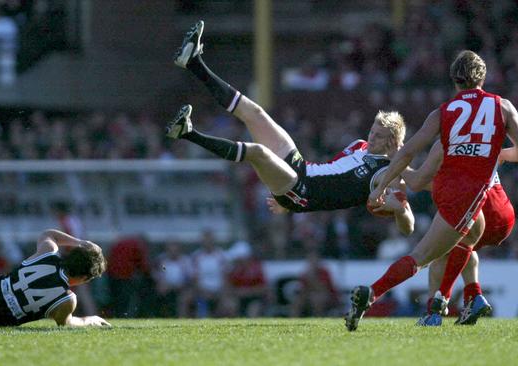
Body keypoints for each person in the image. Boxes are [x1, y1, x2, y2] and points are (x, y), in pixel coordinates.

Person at [166, 21, 414, 235]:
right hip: (300, 170)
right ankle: (193, 62)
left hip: (301, 190)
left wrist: (401, 210)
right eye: (372, 131)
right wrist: (286, 201)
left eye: (378, 136)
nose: (371, 137)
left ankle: (188, 132)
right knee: (255, 113)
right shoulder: (360, 145)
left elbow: (408, 226)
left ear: (391, 143)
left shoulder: (387, 173)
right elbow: (332, 178)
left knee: (258, 152)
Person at [345, 50, 518, 331]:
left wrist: (382, 185)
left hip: (461, 197)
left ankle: (395, 299)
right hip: (492, 205)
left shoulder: (444, 115)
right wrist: (496, 154)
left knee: (429, 256)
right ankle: (472, 296)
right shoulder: (502, 107)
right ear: (483, 77)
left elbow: (411, 158)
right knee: (456, 244)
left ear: (454, 81)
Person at [402, 140, 518, 325]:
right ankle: (475, 296)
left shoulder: (447, 142)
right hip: (504, 212)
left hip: (478, 208)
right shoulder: (482, 138)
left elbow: (421, 182)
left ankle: (434, 313)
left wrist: (398, 166)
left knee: (439, 253)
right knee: (465, 248)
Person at [0, 229, 110, 328]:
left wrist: (80, 242)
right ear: (85, 277)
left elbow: (48, 234)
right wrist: (90, 320)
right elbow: (67, 323)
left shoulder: (47, 254)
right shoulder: (67, 299)